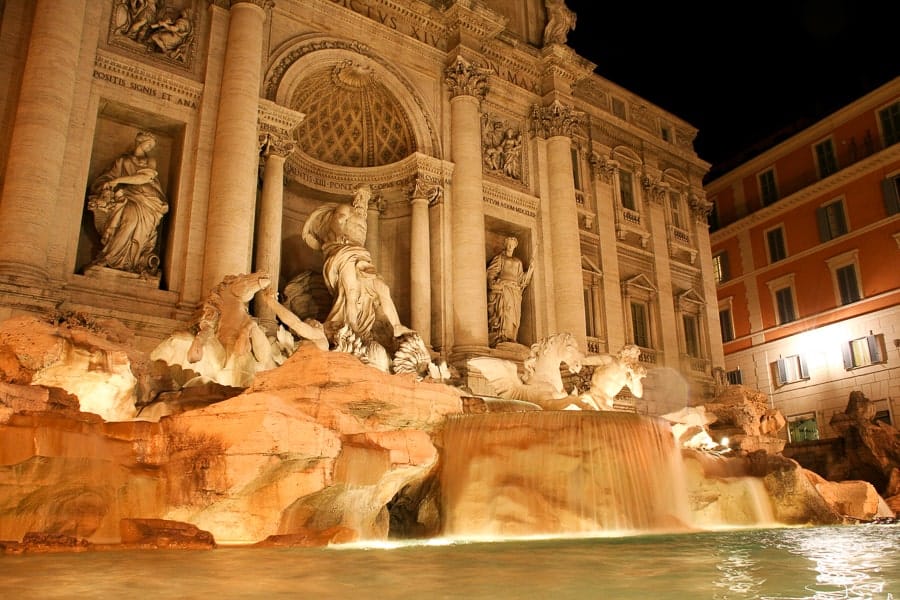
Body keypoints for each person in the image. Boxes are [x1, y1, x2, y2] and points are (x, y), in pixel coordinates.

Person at [301, 185, 413, 344]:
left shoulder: (364, 217)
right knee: (351, 291)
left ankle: (396, 325)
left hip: (360, 255)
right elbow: (336, 221)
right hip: (342, 252)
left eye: (366, 198)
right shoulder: (346, 209)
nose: (363, 201)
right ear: (356, 197)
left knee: (381, 288)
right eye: (361, 197)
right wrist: (339, 234)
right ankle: (352, 331)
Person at [87, 131, 168, 276]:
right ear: (139, 141)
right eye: (148, 144)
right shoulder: (122, 160)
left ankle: (131, 262)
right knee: (129, 222)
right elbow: (109, 176)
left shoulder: (151, 161)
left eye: (152, 146)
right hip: (128, 196)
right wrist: (106, 185)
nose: (150, 148)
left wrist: (118, 181)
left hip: (148, 199)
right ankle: (111, 258)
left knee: (138, 227)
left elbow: (144, 177)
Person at [486, 236, 534, 347]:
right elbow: (491, 273)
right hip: (504, 288)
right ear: (505, 245)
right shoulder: (500, 258)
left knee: (513, 316)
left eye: (512, 244)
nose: (510, 245)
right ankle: (502, 336)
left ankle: (511, 337)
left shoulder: (518, 262)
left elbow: (522, 280)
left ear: (515, 246)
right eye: (508, 243)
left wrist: (530, 269)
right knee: (505, 312)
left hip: (515, 291)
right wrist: (496, 284)